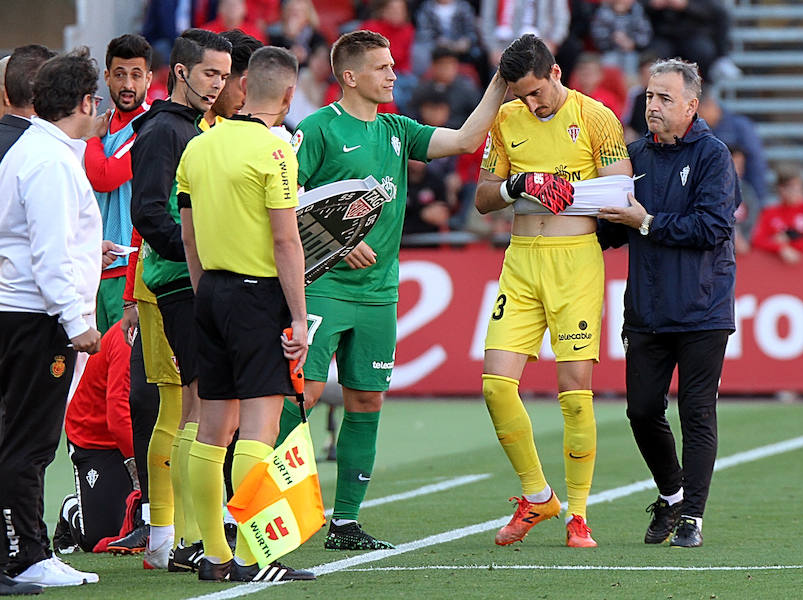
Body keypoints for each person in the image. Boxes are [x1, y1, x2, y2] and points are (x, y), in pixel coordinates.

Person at [293, 29, 507, 550]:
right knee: (300, 397)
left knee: (366, 401)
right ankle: (265, 510)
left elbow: (463, 140)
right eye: (382, 67)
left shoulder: (397, 129)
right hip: (321, 287)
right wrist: (336, 241)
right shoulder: (318, 129)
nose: (394, 74)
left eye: (392, 65)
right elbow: (283, 199)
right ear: (349, 77)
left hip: (379, 293)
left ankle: (343, 523)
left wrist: (500, 82)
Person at [475, 34, 631, 548]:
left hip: (574, 263)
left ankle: (579, 514)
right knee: (496, 384)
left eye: (536, 93)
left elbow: (619, 194)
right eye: (520, 96)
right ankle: (538, 495)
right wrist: (519, 187)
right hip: (520, 261)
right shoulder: (505, 119)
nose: (530, 104)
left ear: (557, 73)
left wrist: (563, 193)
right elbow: (482, 198)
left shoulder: (597, 118)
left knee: (574, 388)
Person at [179, 45, 314, 583]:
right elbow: (286, 241)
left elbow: (187, 236)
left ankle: (213, 554)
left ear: (241, 87)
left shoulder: (201, 145)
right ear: (287, 94)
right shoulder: (276, 152)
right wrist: (300, 319)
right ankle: (256, 558)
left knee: (212, 429)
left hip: (209, 291)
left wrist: (206, 292)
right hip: (256, 295)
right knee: (258, 427)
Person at [596, 57, 740, 548]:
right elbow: (611, 232)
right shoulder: (632, 154)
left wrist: (646, 222)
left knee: (697, 413)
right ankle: (672, 495)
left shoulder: (713, 156)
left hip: (703, 309)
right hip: (648, 310)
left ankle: (692, 518)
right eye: (649, 96)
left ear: (691, 105)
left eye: (663, 98)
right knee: (640, 411)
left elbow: (714, 226)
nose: (652, 105)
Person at [0, 47, 103, 588]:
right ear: (85, 102)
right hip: (35, 318)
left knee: (20, 438)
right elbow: (47, 252)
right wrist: (75, 321)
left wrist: (92, 251)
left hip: (23, 311)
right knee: (30, 442)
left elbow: (41, 240)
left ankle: (24, 550)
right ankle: (26, 555)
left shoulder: (36, 150)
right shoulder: (50, 161)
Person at [130, 28, 232, 571]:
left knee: (196, 406)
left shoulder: (192, 128)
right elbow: (148, 213)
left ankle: (181, 540)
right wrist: (200, 258)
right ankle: (180, 540)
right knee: (194, 406)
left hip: (192, 279)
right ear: (182, 72)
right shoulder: (164, 133)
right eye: (210, 73)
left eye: (224, 74)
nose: (217, 84)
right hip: (179, 282)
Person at [84, 34, 154, 334]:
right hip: (91, 268)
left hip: (126, 272)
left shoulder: (149, 126)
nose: (128, 85)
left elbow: (105, 176)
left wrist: (89, 137)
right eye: (120, 74)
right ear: (107, 77)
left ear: (149, 79)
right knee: (91, 373)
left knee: (121, 374)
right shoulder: (102, 124)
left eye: (136, 75)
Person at [53, 320, 140, 554]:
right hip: (95, 440)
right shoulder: (128, 339)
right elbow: (118, 415)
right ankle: (71, 510)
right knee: (101, 538)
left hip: (138, 437)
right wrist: (139, 466)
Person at [699, 90, 767, 209]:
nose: (698, 117)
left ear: (709, 105)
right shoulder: (703, 130)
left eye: (699, 112)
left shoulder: (740, 126)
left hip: (743, 195)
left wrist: (758, 199)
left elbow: (755, 163)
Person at [751, 166, 803, 264]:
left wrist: (788, 245)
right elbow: (757, 240)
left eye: (799, 187)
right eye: (791, 188)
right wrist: (780, 248)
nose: (796, 191)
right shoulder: (770, 212)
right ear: (781, 189)